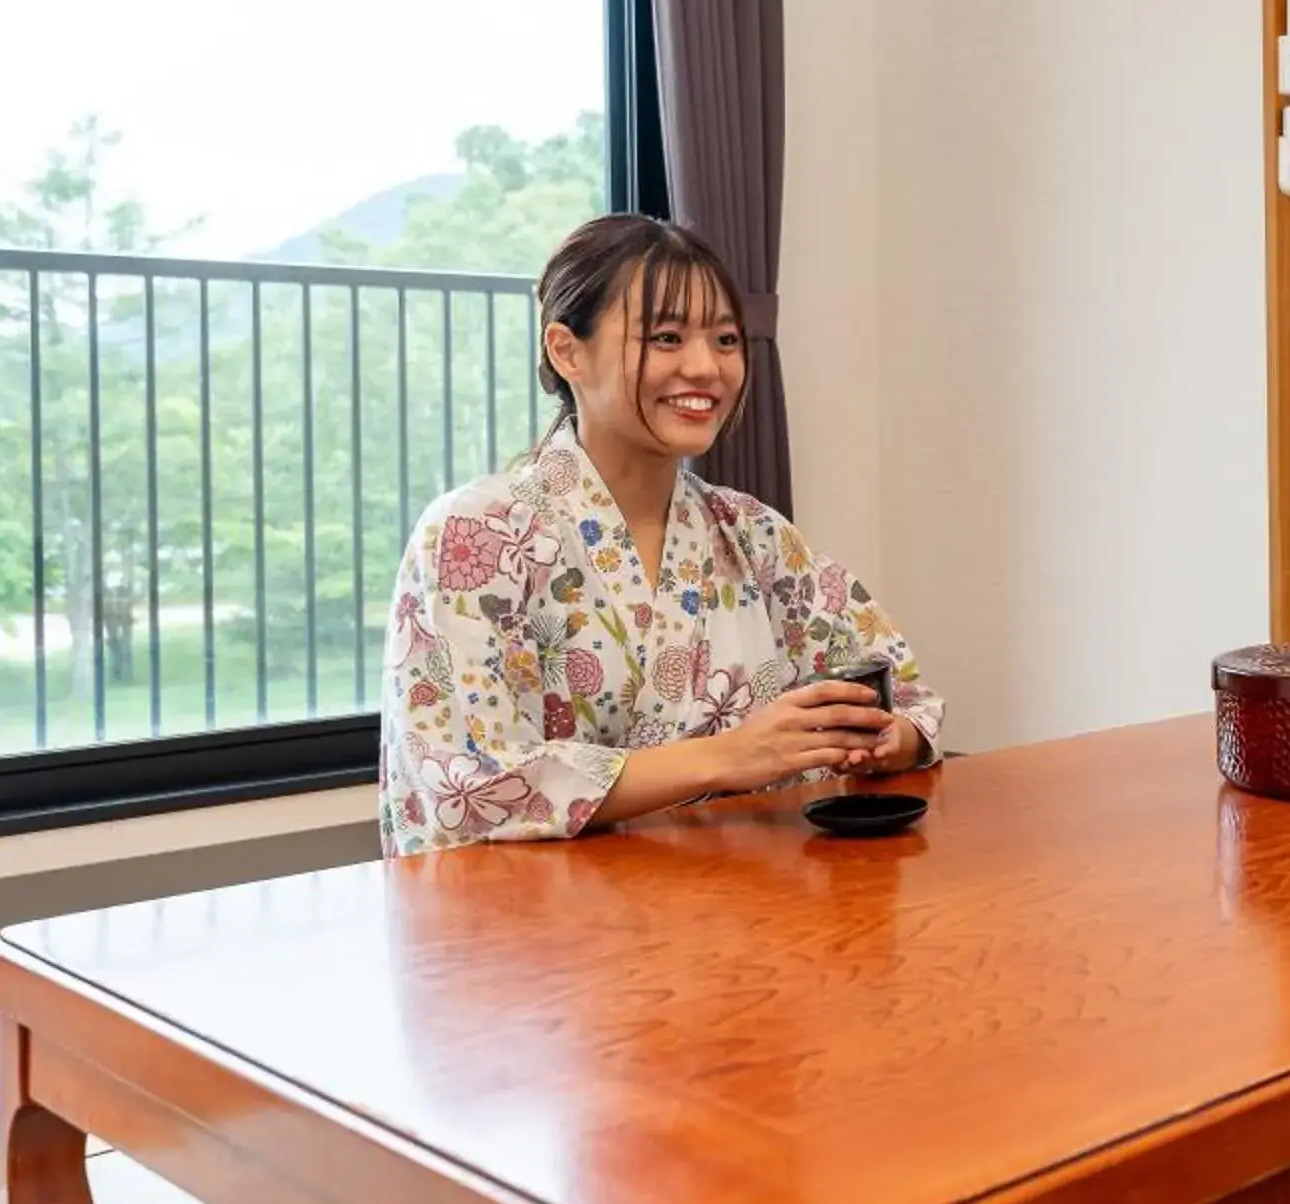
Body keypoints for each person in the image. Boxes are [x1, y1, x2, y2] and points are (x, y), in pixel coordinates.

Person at [377, 214, 942, 855]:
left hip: (743, 912)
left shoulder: (751, 533)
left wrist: (882, 738)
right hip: (543, 932)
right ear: (567, 351)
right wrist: (730, 756)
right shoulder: (474, 537)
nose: (706, 367)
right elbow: (467, 784)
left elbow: (904, 691)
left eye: (726, 340)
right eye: (666, 337)